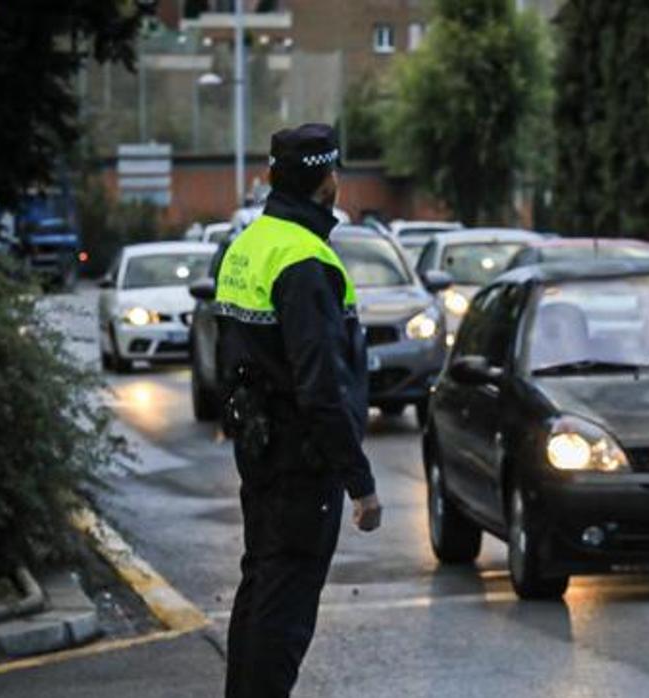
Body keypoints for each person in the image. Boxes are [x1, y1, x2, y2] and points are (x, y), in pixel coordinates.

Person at [215, 123, 382, 698]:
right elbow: (321, 388)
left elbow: (228, 359)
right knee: (284, 612)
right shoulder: (305, 260)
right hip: (299, 460)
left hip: (259, 451)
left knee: (260, 584)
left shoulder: (249, 246)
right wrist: (360, 482)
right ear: (327, 180)